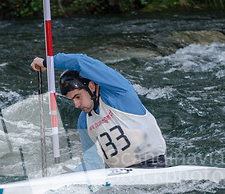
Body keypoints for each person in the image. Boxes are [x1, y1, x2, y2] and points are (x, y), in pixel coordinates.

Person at [31, 53, 166, 170]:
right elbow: (93, 164)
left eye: (78, 97)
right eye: (72, 100)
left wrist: (47, 62)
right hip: (121, 180)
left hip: (153, 166)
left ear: (91, 86)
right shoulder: (84, 122)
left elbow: (81, 61)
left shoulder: (119, 93)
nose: (76, 105)